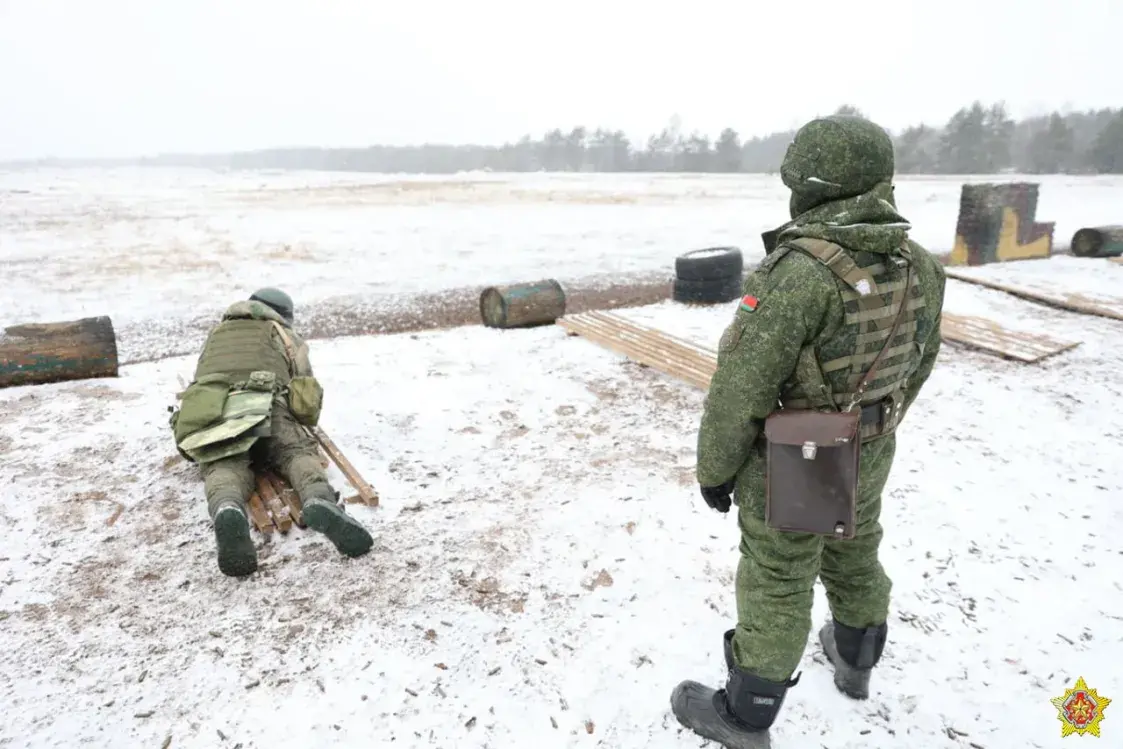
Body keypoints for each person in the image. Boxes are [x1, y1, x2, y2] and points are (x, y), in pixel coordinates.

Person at [670, 115, 946, 748]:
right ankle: (856, 659)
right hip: (874, 441)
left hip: (803, 450)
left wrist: (715, 470)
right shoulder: (921, 267)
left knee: (779, 572)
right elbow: (921, 363)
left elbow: (740, 387)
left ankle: (747, 714)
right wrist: (874, 425)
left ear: (811, 183)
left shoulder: (797, 274)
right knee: (856, 544)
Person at [170, 287, 374, 577]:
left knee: (224, 463)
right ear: (283, 314)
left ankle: (228, 507)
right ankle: (317, 499)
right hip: (266, 402)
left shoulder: (217, 333)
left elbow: (201, 377)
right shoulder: (283, 334)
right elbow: (305, 394)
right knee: (296, 452)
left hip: (215, 408)